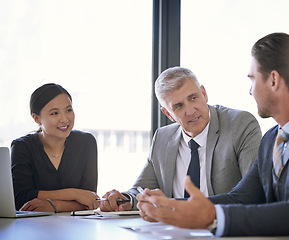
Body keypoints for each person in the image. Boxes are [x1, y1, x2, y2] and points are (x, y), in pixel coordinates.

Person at [136, 33, 289, 240]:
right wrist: (168, 206)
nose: (250, 91)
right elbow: (241, 197)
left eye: (252, 79)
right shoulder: (272, 138)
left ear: (273, 80)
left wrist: (212, 218)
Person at [99, 67, 262, 212]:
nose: (190, 111)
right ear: (168, 114)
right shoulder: (162, 138)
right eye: (178, 106)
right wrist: (126, 199)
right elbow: (142, 189)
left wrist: (173, 204)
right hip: (174, 231)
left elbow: (254, 194)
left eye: (193, 98)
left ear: (204, 94)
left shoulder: (240, 125)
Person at [11, 83, 100, 212]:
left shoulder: (86, 142)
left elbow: (91, 200)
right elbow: (21, 197)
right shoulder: (22, 147)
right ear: (36, 119)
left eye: (68, 110)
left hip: (77, 226)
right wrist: (74, 194)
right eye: (54, 113)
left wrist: (53, 206)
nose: (65, 119)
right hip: (33, 227)